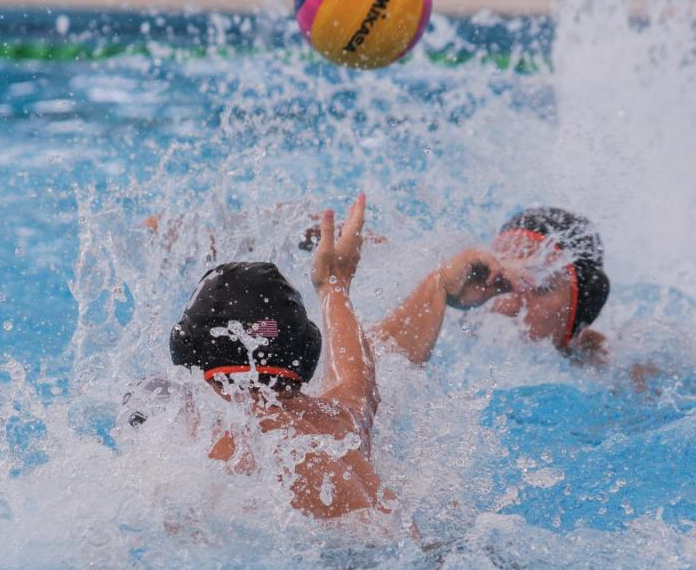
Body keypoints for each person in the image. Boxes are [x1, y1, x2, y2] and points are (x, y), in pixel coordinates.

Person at [121, 195, 395, 519]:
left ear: (190, 353)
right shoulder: (342, 420)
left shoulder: (237, 445)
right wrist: (334, 284)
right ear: (305, 349)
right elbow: (355, 376)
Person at [371, 207, 612, 366]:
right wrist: (439, 290)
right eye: (500, 281)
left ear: (583, 307)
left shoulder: (619, 375)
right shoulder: (457, 334)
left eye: (539, 287)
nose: (508, 305)